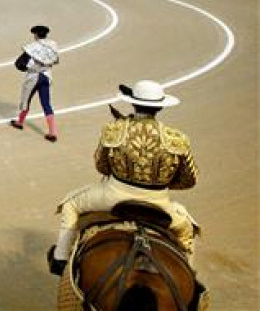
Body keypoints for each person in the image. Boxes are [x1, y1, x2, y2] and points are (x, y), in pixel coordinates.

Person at [48, 81, 199, 275]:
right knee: (187, 230)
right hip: (159, 203)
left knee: (71, 204)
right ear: (160, 107)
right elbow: (189, 179)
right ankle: (190, 277)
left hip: (113, 196)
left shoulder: (114, 131)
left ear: (133, 104)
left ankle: (60, 259)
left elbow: (101, 165)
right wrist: (161, 182)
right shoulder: (177, 138)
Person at [10, 25, 60, 141]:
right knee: (46, 103)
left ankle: (20, 122)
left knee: (26, 100)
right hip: (46, 75)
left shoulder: (31, 47)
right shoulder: (52, 45)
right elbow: (55, 60)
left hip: (33, 76)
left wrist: (27, 68)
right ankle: (52, 132)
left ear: (36, 34)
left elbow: (19, 64)